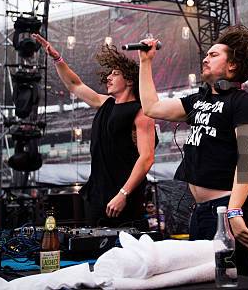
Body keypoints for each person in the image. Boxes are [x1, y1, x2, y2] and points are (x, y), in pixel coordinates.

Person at [137, 25, 248, 276]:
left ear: (232, 66)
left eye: (214, 54)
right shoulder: (198, 101)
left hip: (228, 209)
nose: (206, 58)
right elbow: (151, 107)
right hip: (201, 212)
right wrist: (146, 62)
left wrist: (234, 210)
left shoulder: (245, 103)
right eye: (206, 54)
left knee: (232, 280)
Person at [33, 34, 156, 228]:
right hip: (97, 197)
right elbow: (75, 85)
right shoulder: (105, 103)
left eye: (115, 74)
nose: (108, 77)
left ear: (130, 81)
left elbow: (147, 157)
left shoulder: (141, 112)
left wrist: (123, 194)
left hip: (124, 199)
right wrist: (57, 59)